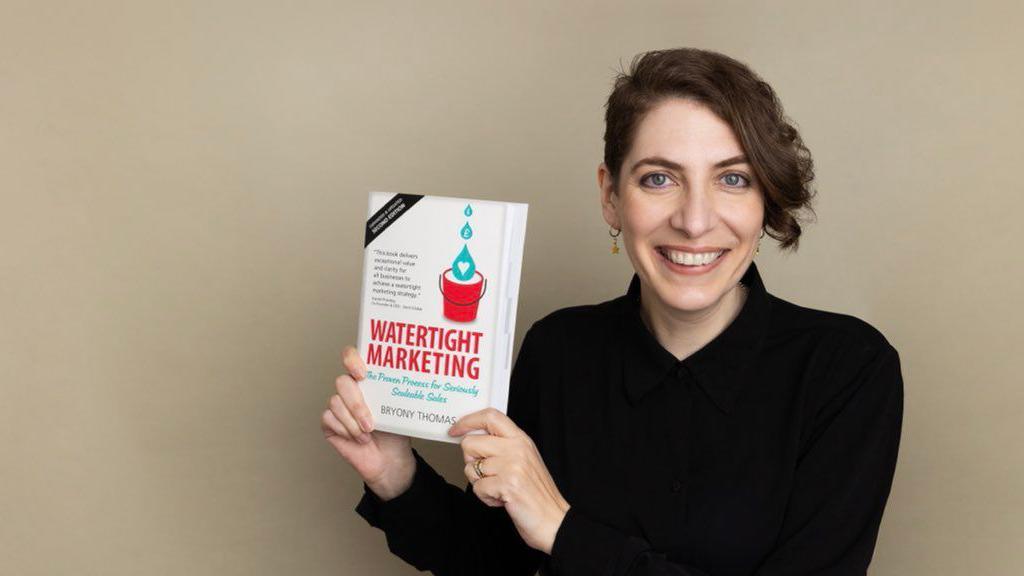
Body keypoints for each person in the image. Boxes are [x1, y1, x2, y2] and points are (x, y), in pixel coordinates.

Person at [321, 47, 904, 575]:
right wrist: (393, 474)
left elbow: (551, 534)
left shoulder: (846, 370)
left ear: (764, 200)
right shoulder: (558, 349)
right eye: (658, 179)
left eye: (732, 178)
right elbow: (501, 562)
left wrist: (564, 530)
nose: (695, 220)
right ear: (610, 196)